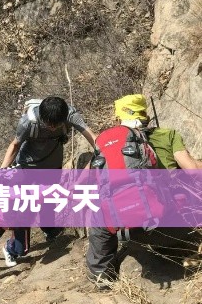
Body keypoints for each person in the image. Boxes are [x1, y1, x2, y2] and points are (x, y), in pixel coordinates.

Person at [85, 94, 202, 289]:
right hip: (175, 230)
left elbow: (84, 181)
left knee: (99, 213)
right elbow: (193, 171)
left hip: (132, 235)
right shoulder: (168, 135)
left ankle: (102, 278)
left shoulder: (109, 146)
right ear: (146, 116)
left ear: (117, 120)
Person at [0, 96, 97, 283]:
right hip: (26, 168)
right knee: (14, 220)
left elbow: (93, 138)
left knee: (44, 204)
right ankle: (3, 247)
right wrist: (1, 172)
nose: (53, 128)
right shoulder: (28, 122)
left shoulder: (69, 115)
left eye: (57, 125)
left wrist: (98, 157)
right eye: (49, 124)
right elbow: (14, 145)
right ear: (42, 116)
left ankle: (47, 232)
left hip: (52, 166)